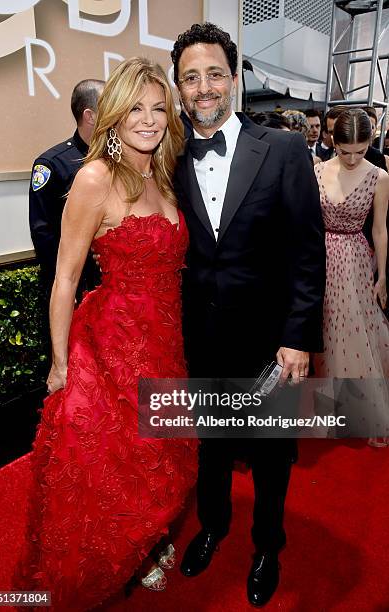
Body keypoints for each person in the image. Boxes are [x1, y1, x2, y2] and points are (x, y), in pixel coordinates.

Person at [14, 58, 197, 610]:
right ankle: (123, 553)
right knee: (114, 463)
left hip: (164, 340)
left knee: (160, 454)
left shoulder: (160, 174)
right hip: (112, 346)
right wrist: (61, 365)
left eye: (158, 108)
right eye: (135, 108)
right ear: (112, 117)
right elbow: (65, 279)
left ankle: (148, 540)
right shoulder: (95, 177)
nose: (148, 120)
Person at [171, 23, 326, 607]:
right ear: (179, 88)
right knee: (209, 445)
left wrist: (298, 338)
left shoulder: (284, 150)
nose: (203, 87)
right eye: (191, 78)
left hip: (269, 341)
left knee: (268, 451)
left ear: (234, 79)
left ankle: (268, 545)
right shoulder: (168, 158)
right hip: (201, 340)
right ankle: (213, 526)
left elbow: (308, 256)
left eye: (214, 73)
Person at [313, 108, 389, 446]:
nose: (353, 158)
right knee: (325, 334)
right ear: (333, 141)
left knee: (354, 332)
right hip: (320, 259)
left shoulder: (379, 176)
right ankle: (329, 410)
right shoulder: (316, 171)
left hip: (356, 260)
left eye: (360, 151)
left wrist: (382, 275)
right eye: (346, 151)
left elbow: (380, 230)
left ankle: (366, 414)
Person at [29, 79, 104, 301]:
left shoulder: (119, 156)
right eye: (110, 106)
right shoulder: (52, 164)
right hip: (76, 285)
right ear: (90, 116)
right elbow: (44, 235)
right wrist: (67, 288)